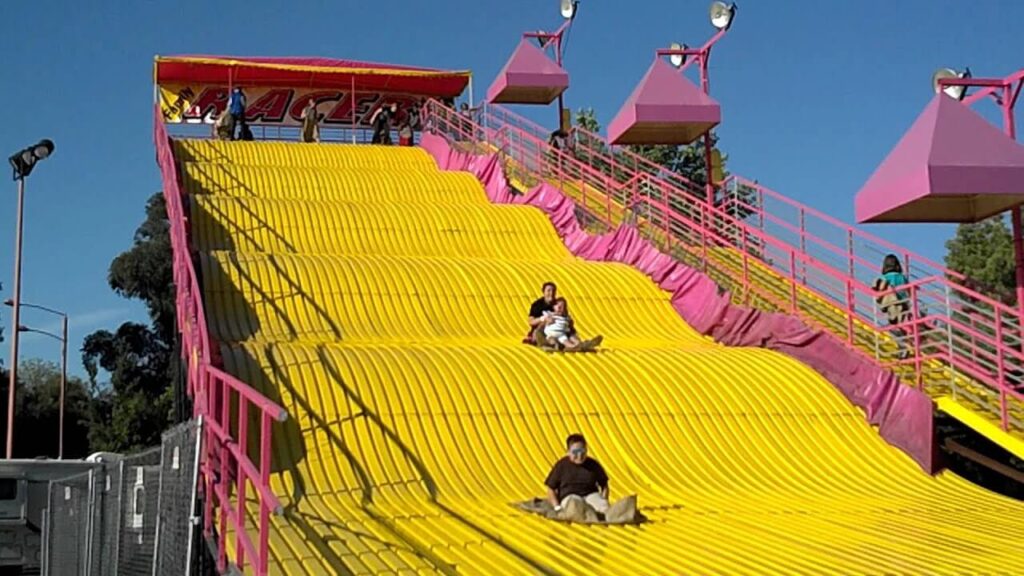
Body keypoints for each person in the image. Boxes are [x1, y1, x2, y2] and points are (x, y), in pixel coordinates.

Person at [545, 434, 610, 520]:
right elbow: (550, 489)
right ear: (568, 452)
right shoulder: (561, 466)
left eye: (582, 451)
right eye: (575, 452)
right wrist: (557, 507)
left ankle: (599, 516)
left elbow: (604, 485)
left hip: (590, 495)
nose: (579, 455)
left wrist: (604, 500)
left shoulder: (593, 465)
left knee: (604, 508)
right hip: (571, 497)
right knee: (574, 506)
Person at [873, 254, 911, 359]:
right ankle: (903, 348)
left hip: (893, 305)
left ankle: (903, 348)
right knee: (901, 327)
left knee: (893, 327)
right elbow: (909, 290)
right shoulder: (902, 277)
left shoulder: (886, 277)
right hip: (904, 304)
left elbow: (881, 290)